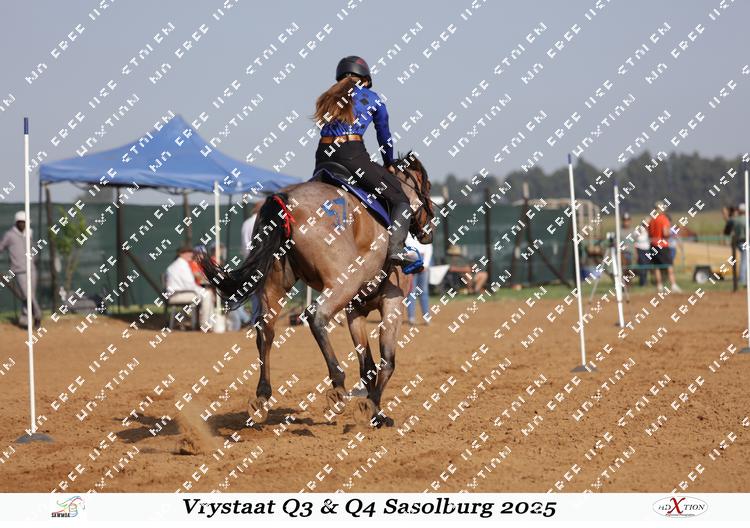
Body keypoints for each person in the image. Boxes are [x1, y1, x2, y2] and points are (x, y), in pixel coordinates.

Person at [314, 55, 417, 266]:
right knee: (400, 199)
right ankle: (396, 249)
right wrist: (389, 162)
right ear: (365, 79)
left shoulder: (328, 97)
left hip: (323, 156)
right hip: (351, 154)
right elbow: (384, 135)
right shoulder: (372, 97)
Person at [0, 211, 42, 327]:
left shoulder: (29, 234)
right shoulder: (9, 235)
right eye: (22, 222)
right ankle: (38, 315)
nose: (24, 225)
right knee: (28, 295)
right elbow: (1, 246)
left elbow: (33, 248)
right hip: (19, 271)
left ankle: (24, 319)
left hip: (32, 269)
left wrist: (34, 259)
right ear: (17, 222)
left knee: (29, 296)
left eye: (25, 222)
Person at [165, 245, 215, 329]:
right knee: (207, 295)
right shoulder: (182, 265)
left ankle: (207, 324)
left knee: (207, 294)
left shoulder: (178, 264)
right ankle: (206, 325)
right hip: (178, 295)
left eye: (191, 252)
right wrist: (203, 291)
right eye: (187, 252)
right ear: (181, 254)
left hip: (177, 294)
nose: (190, 254)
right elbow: (190, 285)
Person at [648, 202, 681, 293]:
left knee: (657, 266)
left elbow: (649, 234)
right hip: (662, 245)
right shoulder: (664, 219)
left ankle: (659, 286)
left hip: (653, 245)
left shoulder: (651, 220)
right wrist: (672, 234)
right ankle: (673, 285)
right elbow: (665, 233)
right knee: (669, 265)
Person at [406, 233, 432, 326]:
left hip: (423, 260)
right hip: (410, 261)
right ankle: (411, 318)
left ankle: (427, 317)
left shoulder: (424, 232)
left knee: (424, 291)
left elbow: (429, 248)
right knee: (411, 291)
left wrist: (426, 264)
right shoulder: (406, 233)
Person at [724, 203, 747, 284]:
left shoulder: (734, 220)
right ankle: (742, 279)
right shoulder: (746, 220)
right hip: (745, 242)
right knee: (744, 260)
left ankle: (743, 278)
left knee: (744, 259)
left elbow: (727, 229)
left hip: (737, 242)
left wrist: (725, 214)